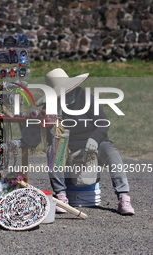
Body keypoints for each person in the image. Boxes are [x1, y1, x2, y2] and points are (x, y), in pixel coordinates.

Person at [36, 68, 135, 215]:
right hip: (67, 146)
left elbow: (103, 123)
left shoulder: (86, 97)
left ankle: (123, 197)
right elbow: (48, 134)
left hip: (95, 142)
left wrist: (94, 139)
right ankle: (61, 196)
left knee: (113, 153)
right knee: (53, 151)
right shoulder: (50, 105)